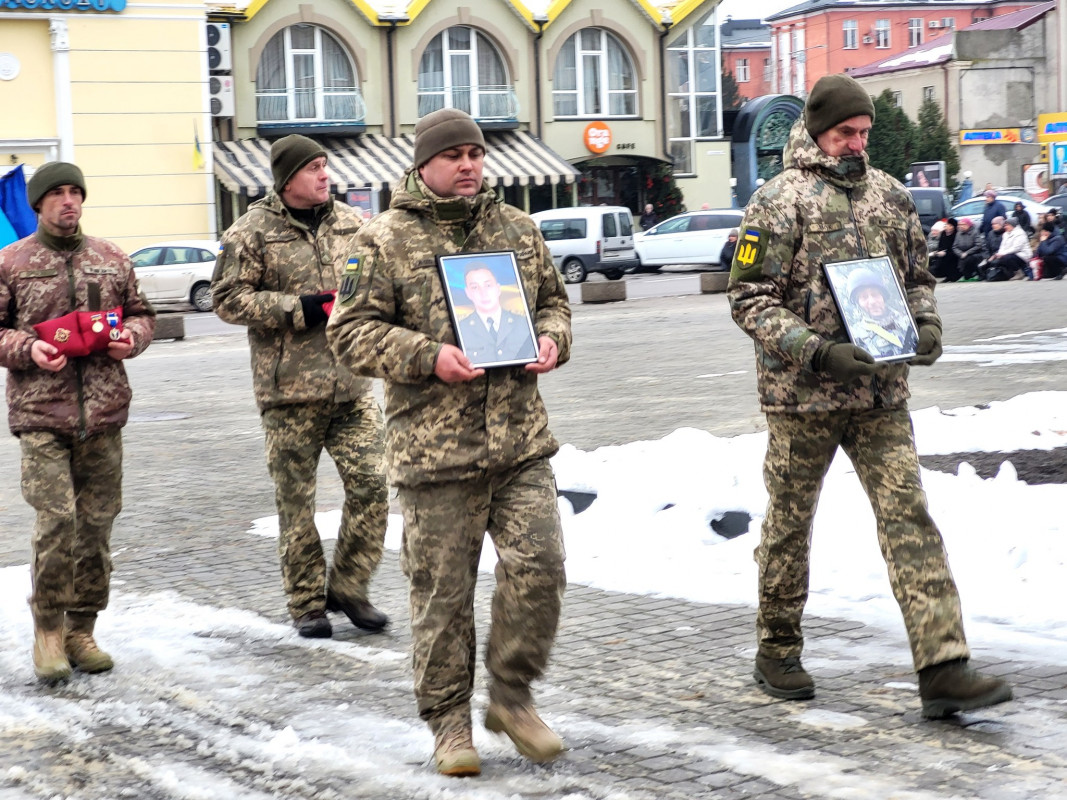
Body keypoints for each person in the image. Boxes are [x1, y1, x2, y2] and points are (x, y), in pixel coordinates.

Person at [727, 74, 1012, 720]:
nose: (855, 144)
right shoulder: (778, 200)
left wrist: (927, 322)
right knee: (789, 528)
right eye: (843, 133)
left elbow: (916, 275)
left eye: (862, 133)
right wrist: (815, 349)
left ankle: (942, 666)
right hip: (801, 398)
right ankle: (775, 649)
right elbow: (748, 298)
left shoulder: (889, 196)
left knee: (908, 517)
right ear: (817, 130)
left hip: (880, 394)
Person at [327, 108, 571, 776]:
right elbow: (347, 333)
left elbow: (553, 302)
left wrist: (552, 339)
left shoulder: (516, 228)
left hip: (519, 441)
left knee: (541, 567)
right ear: (425, 163)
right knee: (441, 598)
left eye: (476, 153)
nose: (468, 165)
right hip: (435, 455)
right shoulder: (381, 239)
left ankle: (512, 696)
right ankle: (448, 725)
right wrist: (425, 354)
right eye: (454, 155)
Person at [212, 135, 389, 640]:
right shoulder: (250, 232)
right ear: (288, 178)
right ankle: (307, 602)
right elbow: (226, 299)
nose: (325, 175)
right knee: (296, 504)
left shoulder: (353, 225)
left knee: (374, 486)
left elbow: (377, 284)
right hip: (288, 394)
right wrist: (299, 308)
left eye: (325, 165)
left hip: (353, 387)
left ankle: (350, 586)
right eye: (314, 168)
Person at [0, 162, 156, 682]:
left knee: (96, 526)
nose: (69, 201)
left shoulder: (110, 259)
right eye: (57, 194)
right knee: (58, 520)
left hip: (104, 414)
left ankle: (81, 628)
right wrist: (29, 347)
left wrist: (130, 339)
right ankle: (47, 628)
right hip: (41, 415)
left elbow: (142, 313)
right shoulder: (12, 262)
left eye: (75, 192)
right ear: (39, 202)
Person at [456, 262, 537, 364]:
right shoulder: (461, 329)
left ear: (498, 288)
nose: (483, 293)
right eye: (475, 287)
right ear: (468, 293)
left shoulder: (523, 323)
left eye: (488, 285)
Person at [844, 267, 919, 358]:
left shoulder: (907, 320)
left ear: (883, 296)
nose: (872, 302)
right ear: (858, 304)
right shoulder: (856, 334)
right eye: (864, 297)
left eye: (875, 294)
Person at [930, 217, 959, 282]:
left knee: (949, 260)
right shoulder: (943, 233)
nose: (945, 226)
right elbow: (940, 245)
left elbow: (955, 247)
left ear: (952, 227)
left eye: (948, 225)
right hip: (942, 254)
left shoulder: (956, 234)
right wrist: (939, 251)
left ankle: (951, 276)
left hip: (953, 254)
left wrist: (946, 252)